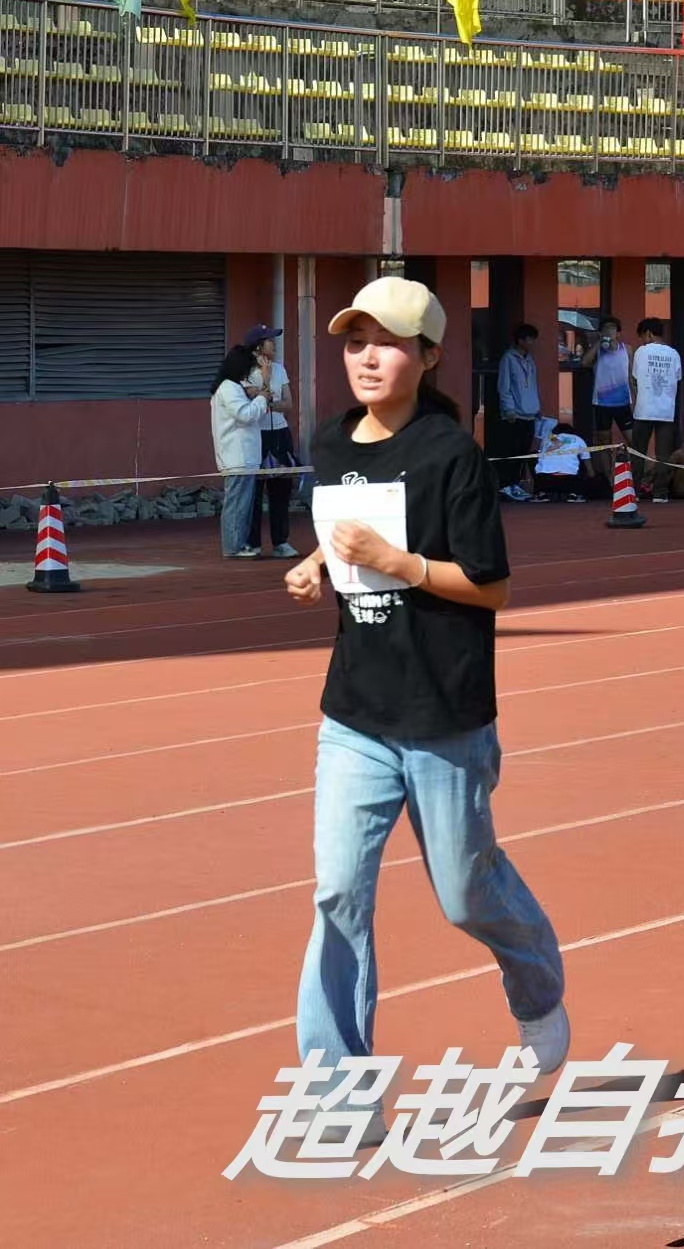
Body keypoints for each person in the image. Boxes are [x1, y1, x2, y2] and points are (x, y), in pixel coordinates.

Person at [283, 276, 568, 1138]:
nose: (367, 358)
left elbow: (491, 586)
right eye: (355, 341)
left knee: (464, 895)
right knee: (338, 892)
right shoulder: (330, 442)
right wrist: (317, 565)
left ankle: (536, 986)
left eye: (388, 342)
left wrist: (398, 563)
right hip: (355, 712)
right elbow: (342, 539)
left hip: (444, 713)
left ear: (430, 355)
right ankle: (338, 1089)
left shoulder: (452, 456)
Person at [210, 345, 272, 560]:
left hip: (243, 457)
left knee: (242, 504)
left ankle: (238, 543)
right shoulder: (229, 388)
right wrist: (262, 398)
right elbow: (245, 415)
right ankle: (233, 546)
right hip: (238, 456)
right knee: (237, 504)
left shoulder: (233, 387)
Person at [244, 324, 299, 561]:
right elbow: (252, 402)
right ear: (258, 346)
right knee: (254, 492)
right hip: (257, 435)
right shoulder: (244, 371)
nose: (274, 345)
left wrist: (269, 403)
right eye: (269, 341)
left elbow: (288, 404)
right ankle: (252, 543)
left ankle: (281, 542)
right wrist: (265, 384)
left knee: (281, 490)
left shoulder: (280, 369)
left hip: (280, 434)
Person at [630, 318, 682, 502]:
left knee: (638, 452)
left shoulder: (641, 352)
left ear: (648, 333)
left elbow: (635, 378)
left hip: (644, 408)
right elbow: (677, 378)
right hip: (666, 410)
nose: (643, 341)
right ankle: (660, 493)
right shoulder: (674, 354)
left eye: (642, 337)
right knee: (663, 455)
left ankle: (633, 492)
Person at [581, 315, 632, 480]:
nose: (609, 332)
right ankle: (609, 479)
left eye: (612, 329)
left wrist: (636, 399)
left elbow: (632, 376)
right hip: (602, 403)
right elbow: (584, 363)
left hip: (623, 402)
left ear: (618, 333)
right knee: (604, 443)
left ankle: (636, 477)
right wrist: (598, 343)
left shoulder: (627, 349)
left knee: (634, 441)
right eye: (605, 329)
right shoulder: (597, 351)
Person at [496, 323, 541, 502]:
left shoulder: (530, 359)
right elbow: (504, 386)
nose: (532, 343)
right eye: (529, 339)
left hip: (530, 413)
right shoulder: (508, 359)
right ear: (520, 340)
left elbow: (534, 385)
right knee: (512, 451)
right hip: (514, 415)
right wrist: (509, 409)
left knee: (524, 451)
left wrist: (537, 407)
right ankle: (506, 485)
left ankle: (515, 484)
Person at [533, 422, 591, 503]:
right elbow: (586, 459)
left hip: (545, 479)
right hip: (570, 479)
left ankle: (542, 494)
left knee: (537, 461)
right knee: (581, 461)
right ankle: (574, 494)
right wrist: (591, 475)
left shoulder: (547, 439)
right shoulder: (578, 439)